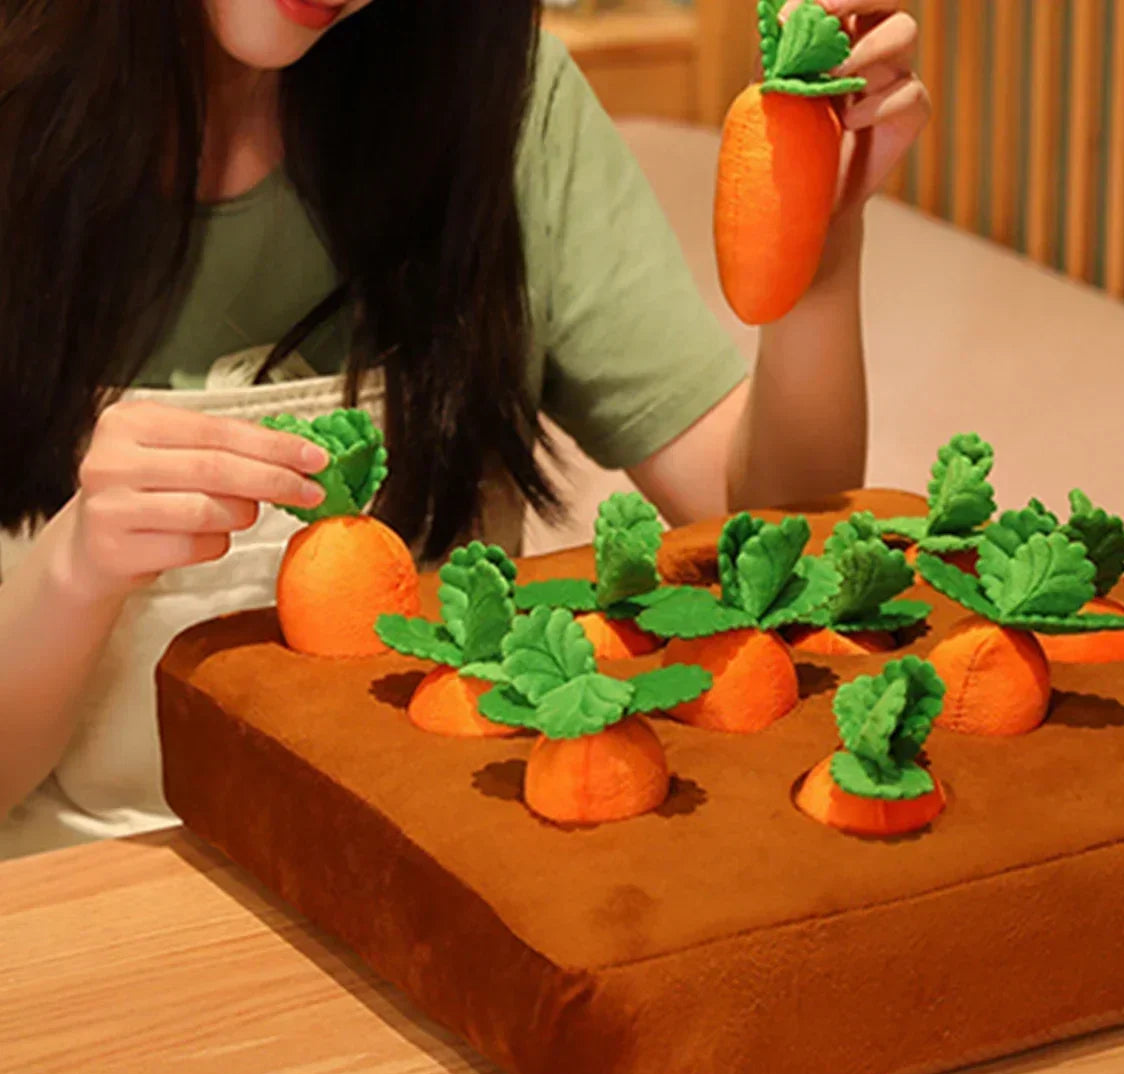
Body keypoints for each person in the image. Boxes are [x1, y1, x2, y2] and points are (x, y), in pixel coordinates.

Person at [0, 0, 929, 858]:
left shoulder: (497, 91)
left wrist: (819, 246)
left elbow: (769, 523)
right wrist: (76, 569)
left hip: (450, 889)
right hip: (89, 899)